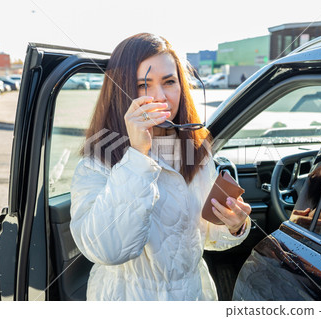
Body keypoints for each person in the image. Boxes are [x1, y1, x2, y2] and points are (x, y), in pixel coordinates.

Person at [69, 33, 252, 301]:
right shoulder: (97, 161)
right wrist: (137, 155)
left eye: (169, 82)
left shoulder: (195, 152)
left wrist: (234, 225)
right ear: (121, 91)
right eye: (144, 85)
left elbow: (205, 237)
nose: (161, 97)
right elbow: (106, 249)